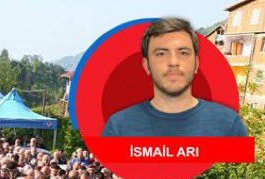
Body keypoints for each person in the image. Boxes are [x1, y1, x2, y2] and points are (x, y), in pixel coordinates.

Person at [102, 17, 247, 137]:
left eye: (183, 53)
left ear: (196, 64)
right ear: (147, 65)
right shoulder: (118, 127)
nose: (173, 62)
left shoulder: (229, 125)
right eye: (161, 53)